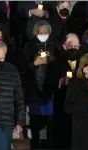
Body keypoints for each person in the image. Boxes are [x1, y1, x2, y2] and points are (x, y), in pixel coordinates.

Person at [21, 20, 55, 149]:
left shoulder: (53, 45)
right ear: (36, 33)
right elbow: (23, 66)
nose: (43, 34)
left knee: (50, 125)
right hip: (34, 91)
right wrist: (33, 64)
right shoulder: (29, 46)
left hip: (50, 91)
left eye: (46, 32)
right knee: (35, 124)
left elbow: (58, 64)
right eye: (41, 33)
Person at [53, 33, 82, 149]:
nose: (73, 48)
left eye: (76, 45)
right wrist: (60, 82)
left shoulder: (85, 63)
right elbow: (50, 83)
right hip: (62, 105)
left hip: (80, 108)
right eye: (70, 45)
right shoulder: (56, 63)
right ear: (64, 46)